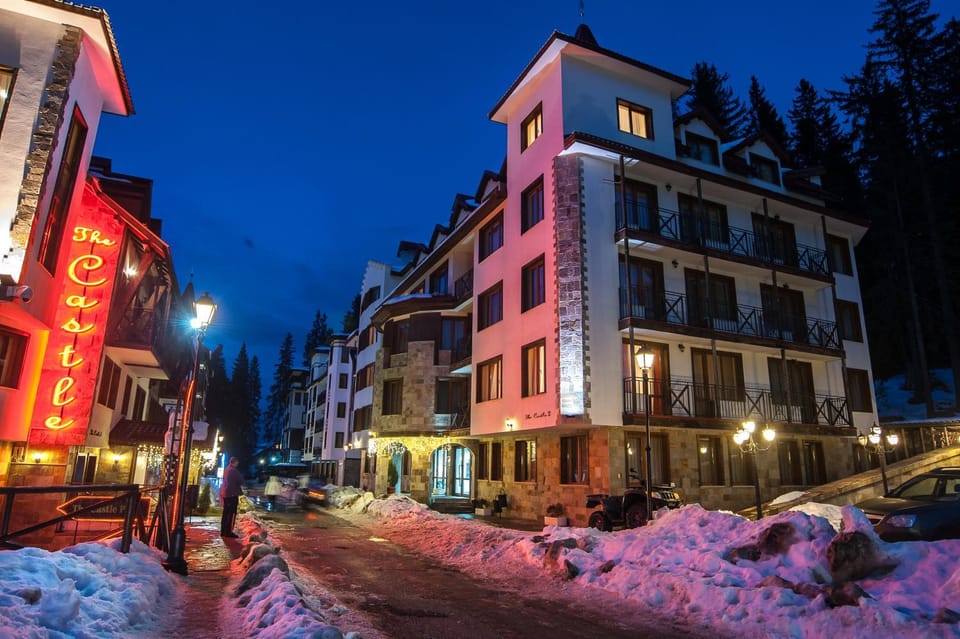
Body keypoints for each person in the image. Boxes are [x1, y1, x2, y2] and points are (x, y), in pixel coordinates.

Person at [220, 456, 244, 538]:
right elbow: (241, 481)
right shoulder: (234, 471)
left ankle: (223, 531)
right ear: (234, 462)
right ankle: (229, 531)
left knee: (226, 513)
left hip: (226, 494)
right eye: (237, 462)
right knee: (232, 514)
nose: (238, 464)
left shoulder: (226, 469)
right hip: (232, 494)